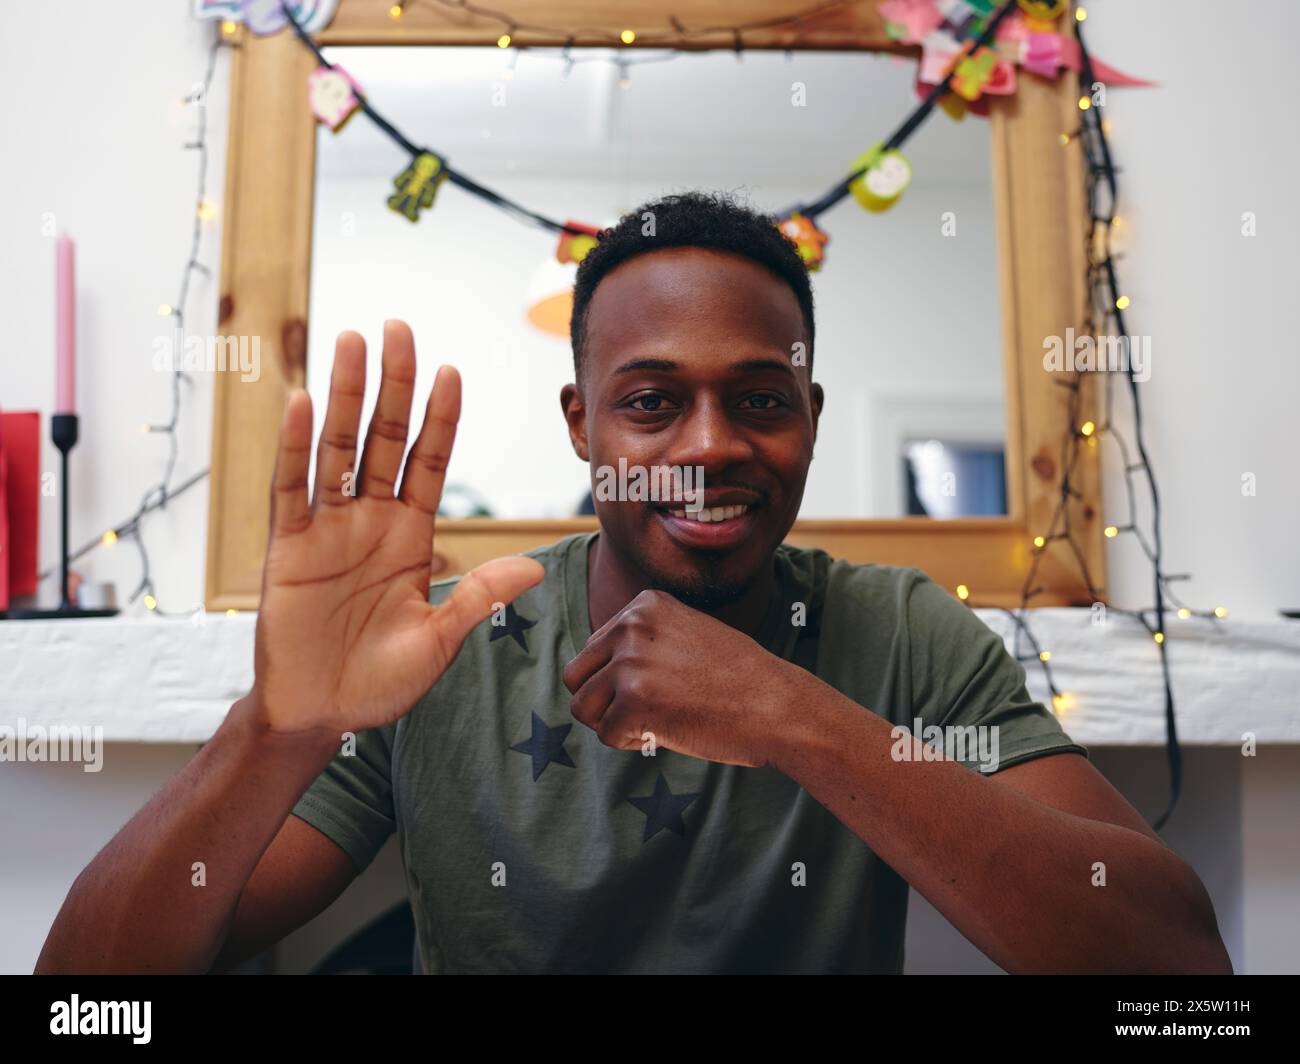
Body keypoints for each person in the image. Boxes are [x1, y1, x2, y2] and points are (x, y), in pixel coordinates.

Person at [36, 192, 1230, 975]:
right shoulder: (455, 643)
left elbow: (1175, 970)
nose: (709, 443)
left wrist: (788, 714)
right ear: (583, 424)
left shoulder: (897, 630)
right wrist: (274, 730)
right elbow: (86, 996)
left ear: (809, 421)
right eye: (652, 401)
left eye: (759, 398)